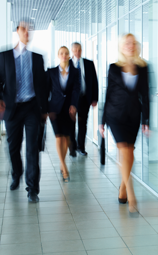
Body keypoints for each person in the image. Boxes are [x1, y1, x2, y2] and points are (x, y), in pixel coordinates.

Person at [99, 33, 149, 213]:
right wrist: (102, 121)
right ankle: (131, 195)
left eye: (133, 43)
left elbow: (145, 94)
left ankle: (122, 187)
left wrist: (146, 120)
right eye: (127, 43)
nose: (130, 45)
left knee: (130, 151)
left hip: (134, 116)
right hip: (115, 115)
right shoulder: (113, 68)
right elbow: (108, 94)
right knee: (124, 150)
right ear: (121, 46)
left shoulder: (142, 67)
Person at [0, 18, 47, 202]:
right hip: (12, 109)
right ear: (17, 31)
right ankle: (16, 173)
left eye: (30, 30)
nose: (27, 33)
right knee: (13, 147)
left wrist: (44, 110)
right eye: (24, 29)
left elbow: (43, 86)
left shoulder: (37, 58)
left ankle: (32, 188)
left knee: (32, 148)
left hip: (31, 108)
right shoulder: (4, 57)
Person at [47, 46, 81, 182]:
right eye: (61, 53)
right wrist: (45, 109)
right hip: (55, 109)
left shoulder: (75, 72)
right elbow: (46, 90)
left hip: (69, 110)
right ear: (58, 55)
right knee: (59, 138)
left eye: (66, 53)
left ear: (69, 55)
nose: (64, 55)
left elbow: (76, 90)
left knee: (67, 139)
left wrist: (74, 105)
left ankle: (62, 163)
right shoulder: (51, 72)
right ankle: (64, 167)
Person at [69, 42, 98, 157]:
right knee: (71, 124)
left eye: (79, 50)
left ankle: (81, 147)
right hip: (71, 101)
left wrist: (94, 98)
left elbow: (94, 82)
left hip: (84, 98)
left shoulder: (89, 63)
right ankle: (72, 147)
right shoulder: (67, 64)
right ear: (72, 50)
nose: (77, 52)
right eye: (75, 50)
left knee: (82, 124)